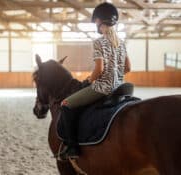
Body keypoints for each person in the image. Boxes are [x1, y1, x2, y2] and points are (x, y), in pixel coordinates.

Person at [58, 2, 131, 160]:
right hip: (120, 87)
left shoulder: (99, 42)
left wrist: (90, 80)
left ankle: (72, 147)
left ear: (99, 21)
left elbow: (99, 68)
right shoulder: (121, 42)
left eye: (96, 21)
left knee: (66, 104)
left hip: (103, 88)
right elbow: (128, 67)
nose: (96, 24)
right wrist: (116, 74)